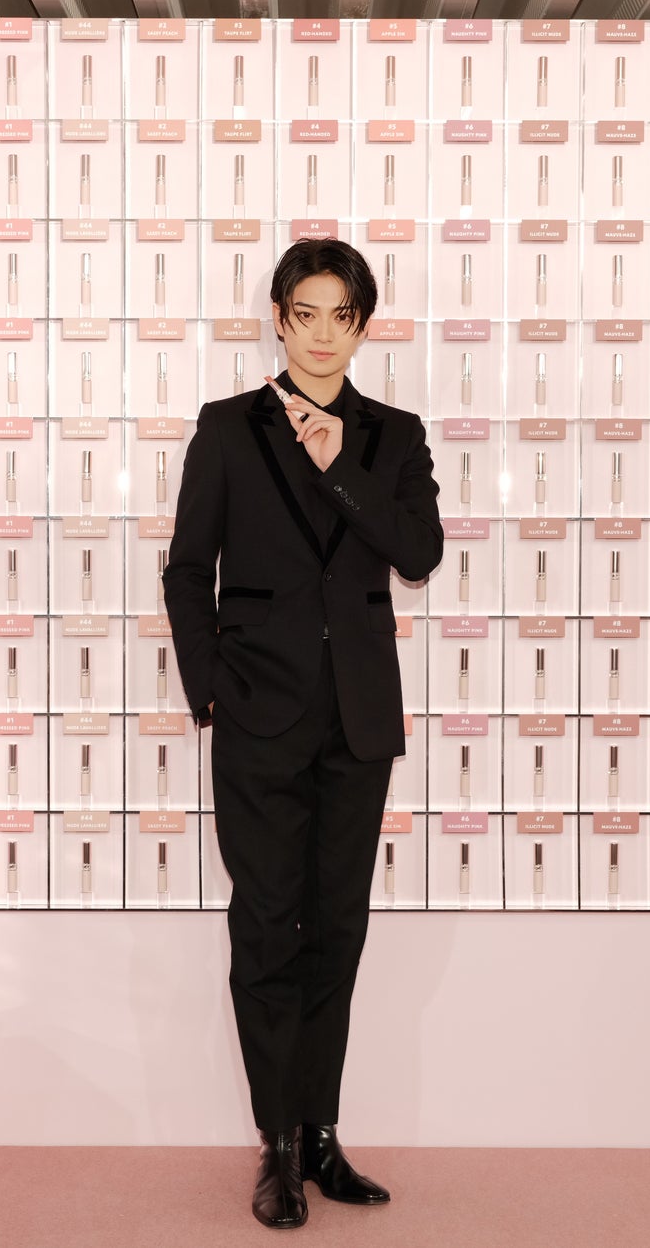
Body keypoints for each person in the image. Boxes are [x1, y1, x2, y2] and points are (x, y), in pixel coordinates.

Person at [162, 238, 444, 1229]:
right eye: (306, 314)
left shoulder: (395, 436)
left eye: (343, 317)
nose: (324, 335)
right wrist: (211, 693)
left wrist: (340, 470)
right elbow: (186, 568)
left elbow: (419, 553)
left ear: (363, 328)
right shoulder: (228, 427)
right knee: (266, 927)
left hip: (357, 723)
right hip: (257, 718)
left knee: (337, 930)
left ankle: (322, 1136)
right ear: (278, 320)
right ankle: (277, 1145)